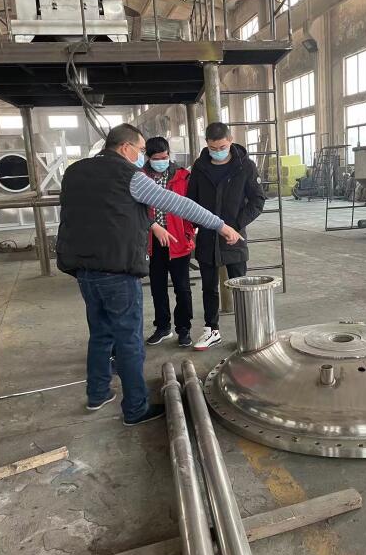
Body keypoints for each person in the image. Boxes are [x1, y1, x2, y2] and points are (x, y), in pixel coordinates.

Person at [56, 123, 241, 426]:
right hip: (117, 270)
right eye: (140, 150)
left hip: (84, 269)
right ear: (125, 147)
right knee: (128, 340)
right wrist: (220, 225)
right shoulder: (129, 176)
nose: (142, 156)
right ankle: (135, 409)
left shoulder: (74, 172)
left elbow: (89, 213)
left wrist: (147, 223)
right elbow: (178, 204)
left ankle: (97, 393)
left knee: (101, 333)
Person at [187, 121, 265, 350]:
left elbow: (257, 200)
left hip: (235, 236)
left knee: (241, 286)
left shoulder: (245, 166)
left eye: (222, 146)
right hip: (207, 236)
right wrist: (196, 226)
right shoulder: (200, 167)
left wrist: (237, 225)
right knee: (209, 287)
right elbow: (191, 200)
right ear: (207, 144)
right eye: (213, 147)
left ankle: (248, 332)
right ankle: (211, 330)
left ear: (230, 141)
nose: (217, 151)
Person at [144, 136, 194, 348]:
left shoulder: (182, 177)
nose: (161, 162)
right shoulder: (140, 178)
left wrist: (189, 232)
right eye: (156, 159)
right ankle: (163, 327)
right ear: (148, 157)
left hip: (178, 241)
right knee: (157, 287)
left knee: (182, 288)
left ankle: (184, 329)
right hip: (153, 243)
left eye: (164, 157)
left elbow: (192, 205)